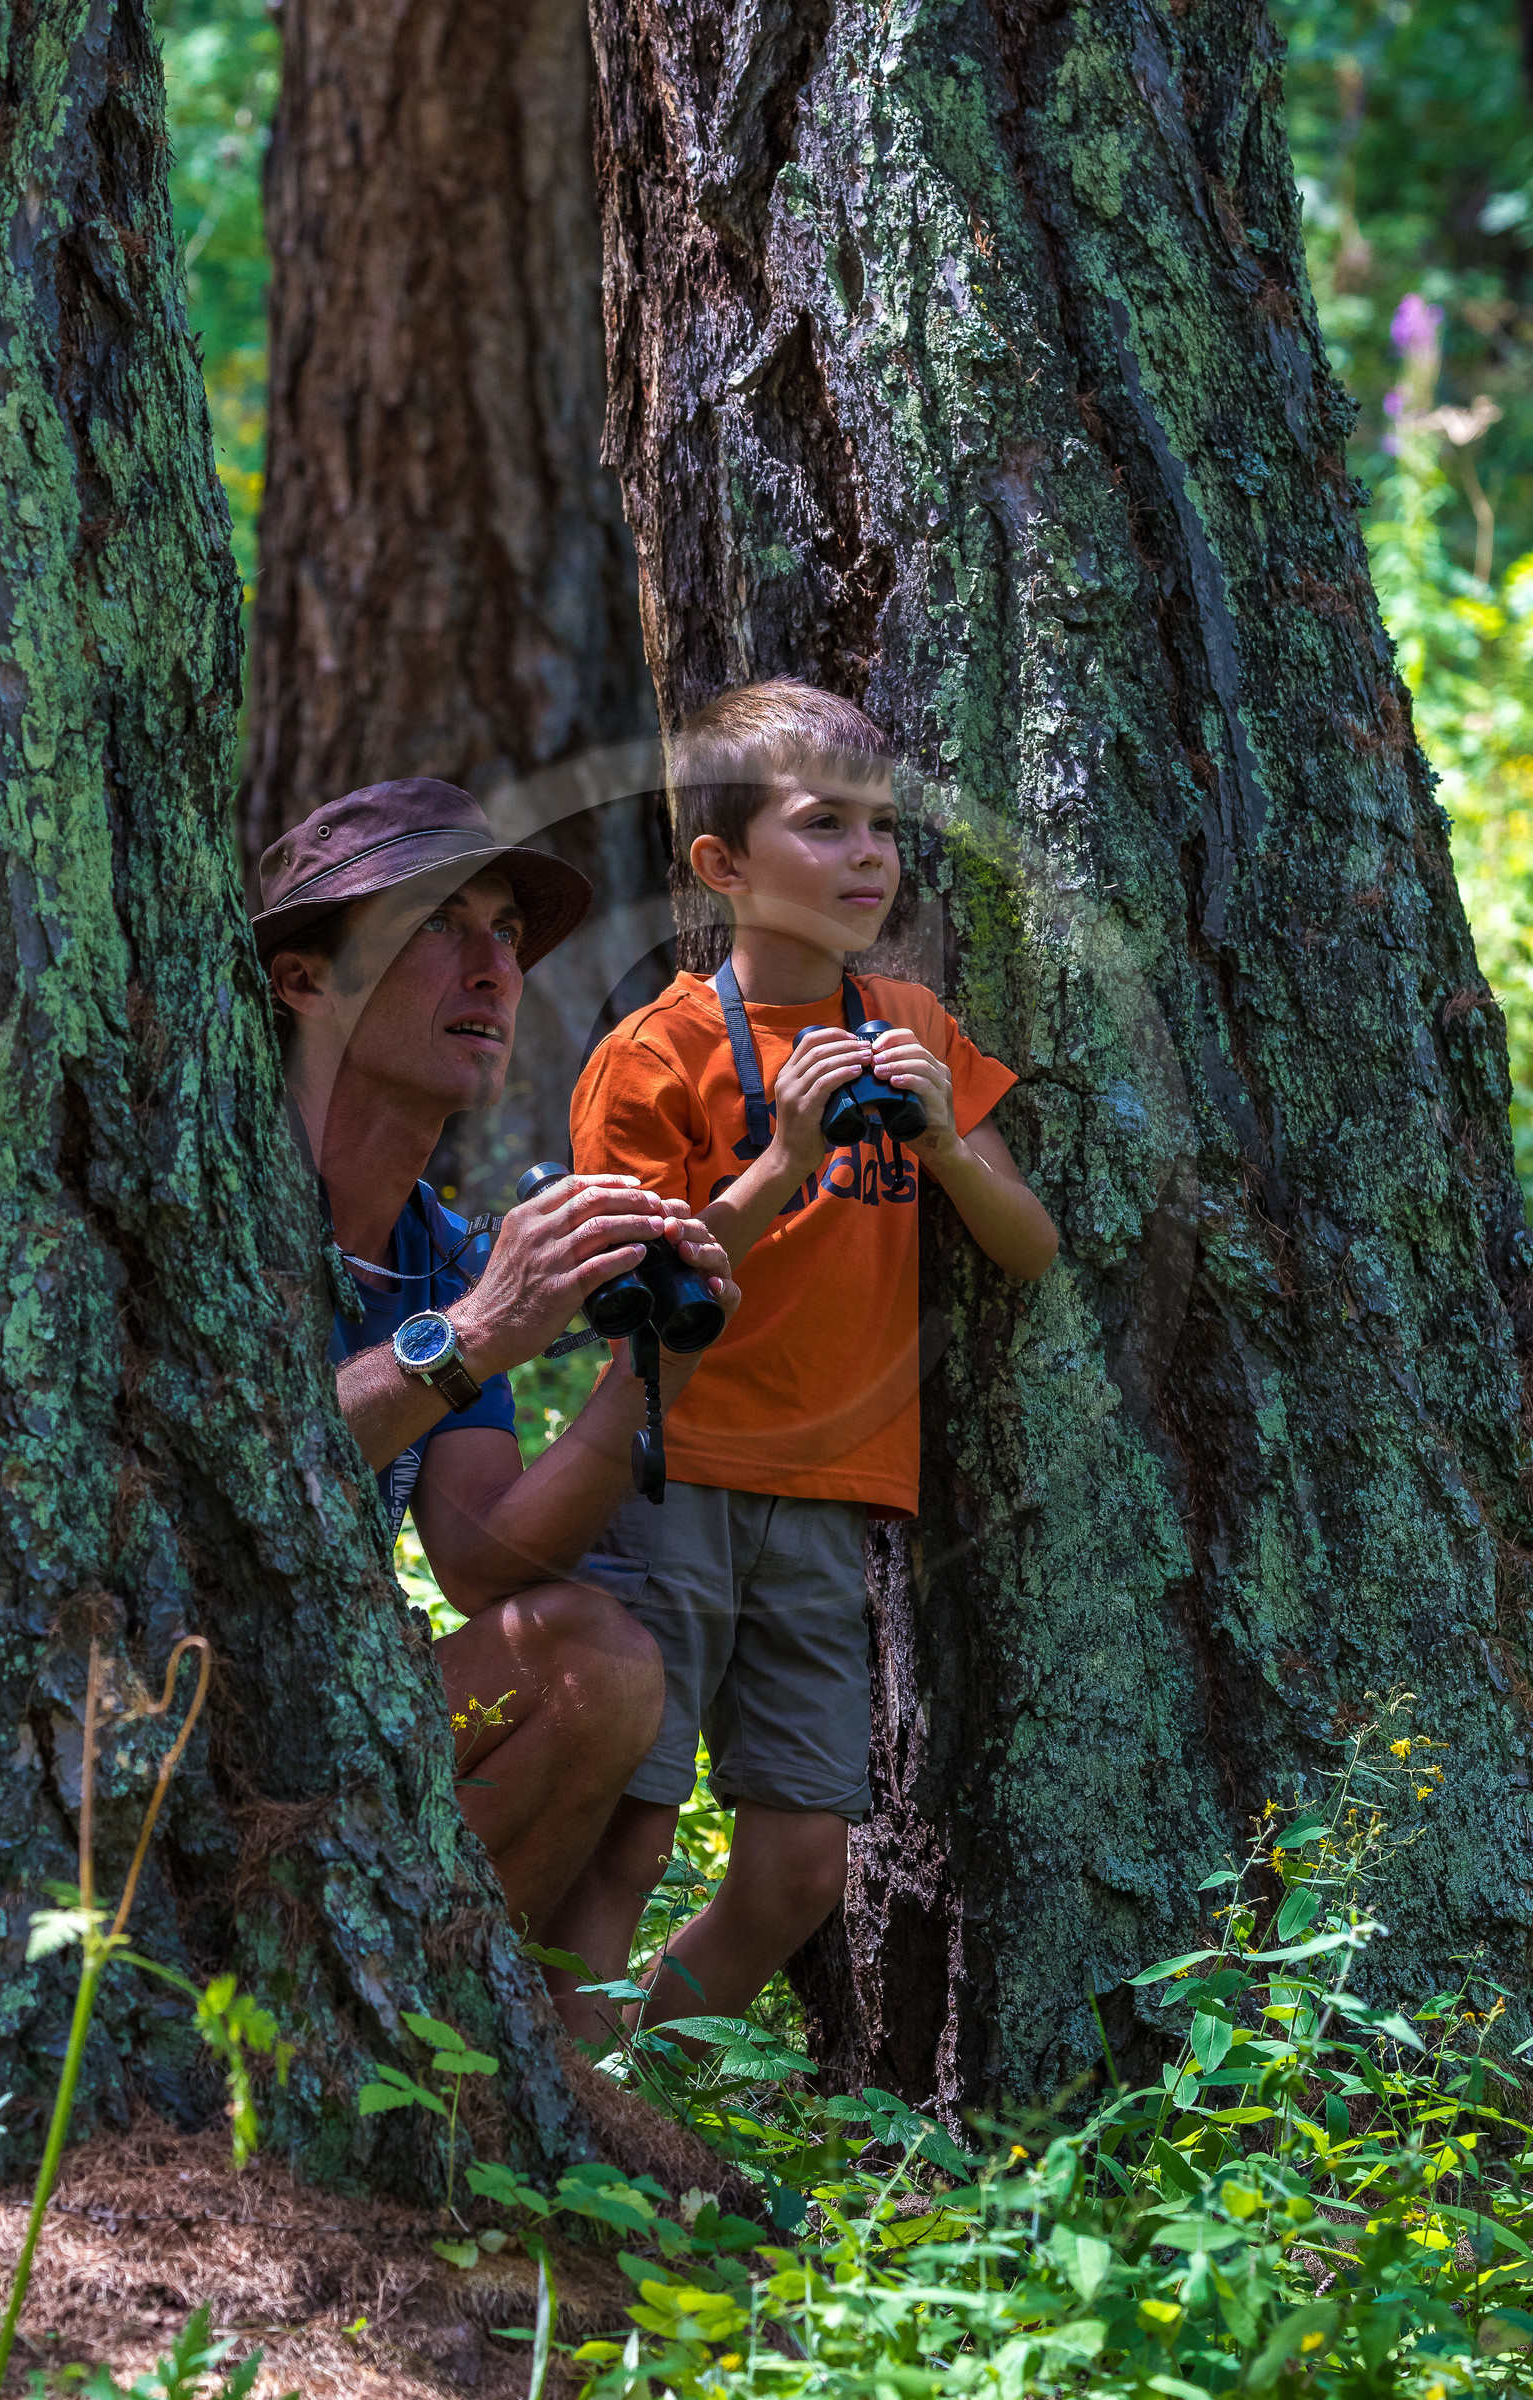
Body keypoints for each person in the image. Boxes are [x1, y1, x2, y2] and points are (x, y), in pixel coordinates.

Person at [547, 681, 1057, 2043]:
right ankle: (570, 2118)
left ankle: (614, 2081)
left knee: (796, 1871)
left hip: (833, 1497)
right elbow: (636, 1288)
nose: (869, 855)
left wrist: (949, 1143)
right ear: (723, 866)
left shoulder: (911, 1025)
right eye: (824, 824)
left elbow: (1029, 1247)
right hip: (674, 1480)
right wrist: (779, 1165)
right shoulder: (656, 1054)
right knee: (629, 1843)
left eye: (883, 827)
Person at [254, 776, 739, 1950]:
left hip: (316, 1705)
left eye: (506, 932)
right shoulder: (224, 1199)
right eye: (435, 925)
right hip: (138, 1709)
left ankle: (429, 2043)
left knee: (598, 1664)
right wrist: (474, 1336)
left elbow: (480, 1556)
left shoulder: (440, 1253)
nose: (493, 969)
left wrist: (645, 1376)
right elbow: (239, 1472)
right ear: (303, 979)